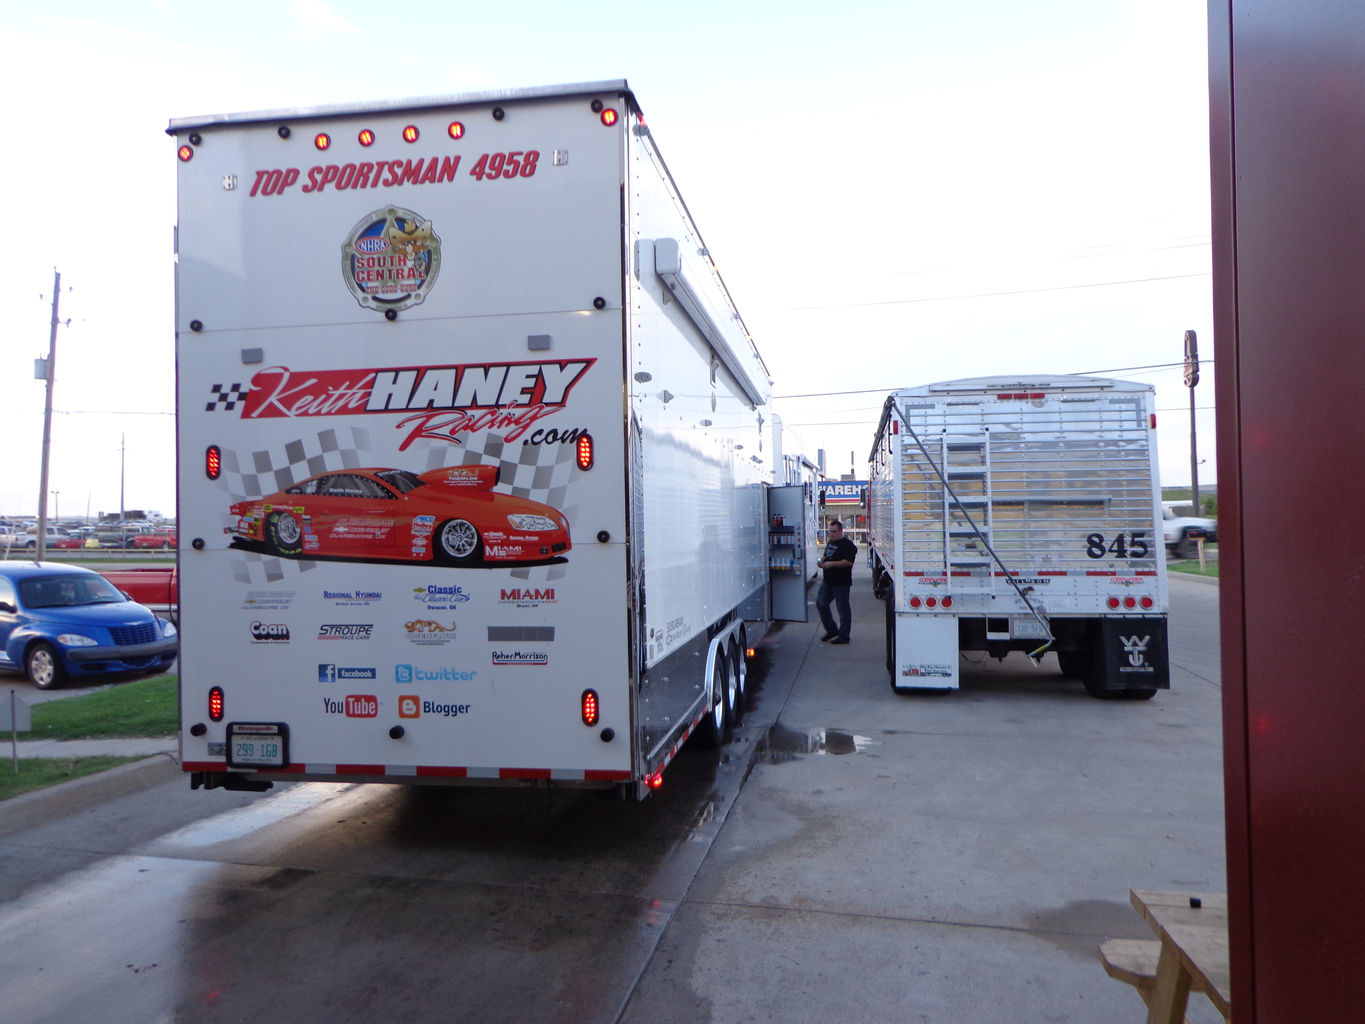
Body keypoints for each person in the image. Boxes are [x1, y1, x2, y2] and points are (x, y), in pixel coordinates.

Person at [816, 519, 857, 644]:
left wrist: (831, 564)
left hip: (841, 583)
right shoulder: (831, 542)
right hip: (828, 581)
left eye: (834, 532)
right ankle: (832, 630)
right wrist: (821, 561)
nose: (831, 534)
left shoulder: (848, 545)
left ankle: (844, 636)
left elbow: (849, 562)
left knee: (843, 610)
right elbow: (826, 555)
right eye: (830, 531)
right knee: (821, 603)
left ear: (840, 531)